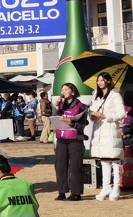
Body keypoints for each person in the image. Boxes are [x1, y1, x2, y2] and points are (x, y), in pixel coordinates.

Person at [89, 72, 126, 201]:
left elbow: (121, 113)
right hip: (99, 129)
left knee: (115, 160)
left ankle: (116, 187)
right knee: (104, 160)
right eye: (98, 80)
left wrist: (106, 116)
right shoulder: (96, 95)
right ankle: (106, 187)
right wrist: (93, 116)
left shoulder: (115, 95)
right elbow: (91, 110)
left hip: (110, 130)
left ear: (109, 81)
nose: (100, 82)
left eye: (102, 80)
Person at [54, 82, 88, 201]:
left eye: (66, 89)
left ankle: (76, 193)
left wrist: (72, 123)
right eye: (62, 90)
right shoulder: (60, 106)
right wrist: (56, 107)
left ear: (73, 92)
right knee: (60, 166)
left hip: (75, 140)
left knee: (75, 166)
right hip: (61, 139)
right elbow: (53, 118)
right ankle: (62, 191)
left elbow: (82, 126)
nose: (63, 92)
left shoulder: (82, 107)